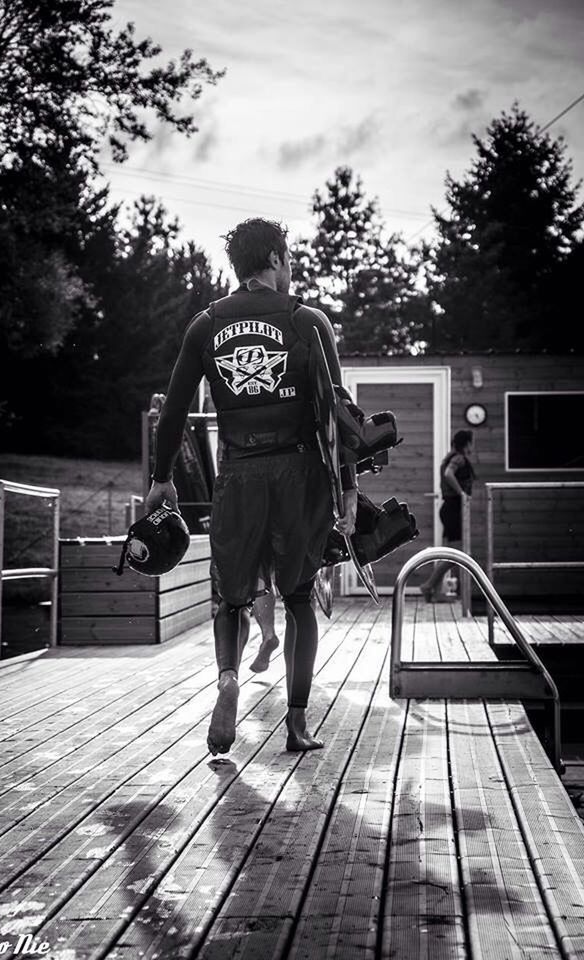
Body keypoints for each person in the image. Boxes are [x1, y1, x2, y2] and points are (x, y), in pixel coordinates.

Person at [145, 218, 357, 755]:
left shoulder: (205, 325)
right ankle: (297, 723)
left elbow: (172, 411)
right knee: (299, 598)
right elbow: (338, 417)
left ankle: (228, 680)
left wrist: (160, 480)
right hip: (298, 474)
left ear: (237, 266)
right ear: (279, 258)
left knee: (230, 599)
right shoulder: (309, 322)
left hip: (238, 474)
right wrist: (348, 490)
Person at [420, 429, 475, 602]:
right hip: (453, 508)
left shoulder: (450, 457)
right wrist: (462, 494)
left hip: (449, 508)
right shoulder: (458, 458)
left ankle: (435, 593)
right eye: (472, 442)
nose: (473, 445)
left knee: (448, 553)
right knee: (456, 553)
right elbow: (448, 474)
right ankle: (428, 585)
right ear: (466, 443)